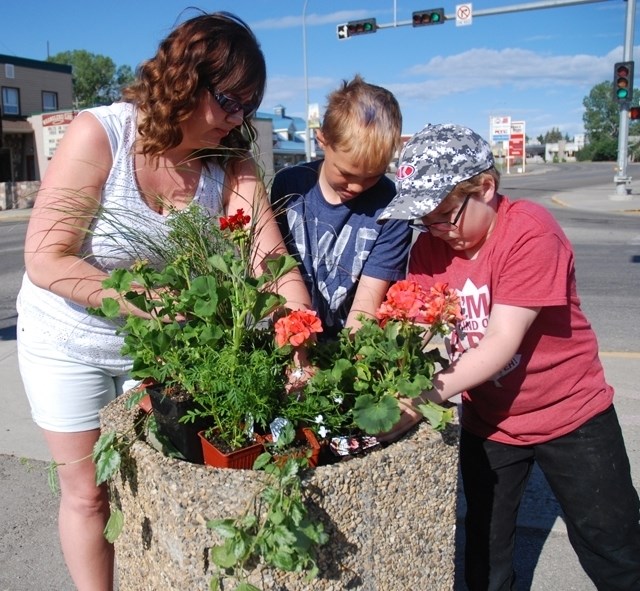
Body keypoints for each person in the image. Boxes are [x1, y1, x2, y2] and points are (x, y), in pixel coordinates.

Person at [16, 12, 310, 591]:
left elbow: (273, 267)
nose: (238, 120)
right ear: (184, 80)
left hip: (154, 347)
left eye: (248, 107)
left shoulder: (230, 162)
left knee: (158, 480)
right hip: (67, 340)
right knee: (88, 494)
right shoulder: (101, 134)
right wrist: (143, 300)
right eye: (229, 101)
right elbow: (46, 258)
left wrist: (297, 331)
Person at [377, 123, 640, 590]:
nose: (437, 231)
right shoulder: (430, 247)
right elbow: (410, 327)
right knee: (485, 550)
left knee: (613, 546)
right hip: (491, 422)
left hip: (573, 415)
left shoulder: (530, 231)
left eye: (445, 216)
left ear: (487, 188)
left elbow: (500, 341)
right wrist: (385, 379)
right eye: (425, 220)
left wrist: (422, 396)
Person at [270, 75, 412, 341]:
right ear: (322, 140)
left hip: (354, 341)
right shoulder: (289, 187)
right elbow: (276, 273)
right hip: (291, 333)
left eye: (373, 176)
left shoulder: (391, 205)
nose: (358, 187)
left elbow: (365, 309)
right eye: (346, 173)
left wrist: (348, 365)